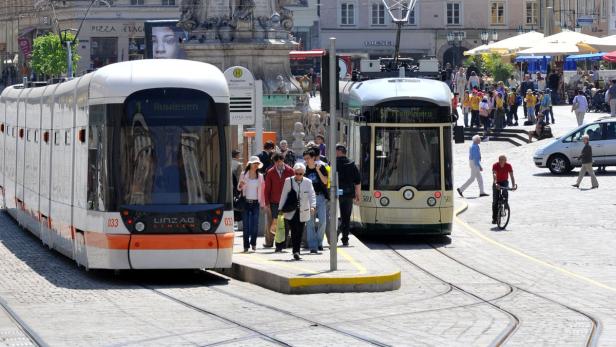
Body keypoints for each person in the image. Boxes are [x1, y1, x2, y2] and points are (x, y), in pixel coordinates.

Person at [278, 163, 316, 260]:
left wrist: (313, 206)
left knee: (300, 231)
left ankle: (297, 250)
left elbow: (312, 195)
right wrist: (280, 209)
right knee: (294, 230)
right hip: (291, 210)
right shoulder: (288, 181)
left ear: (303, 173)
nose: (298, 175)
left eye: (300, 174)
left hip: (303, 210)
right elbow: (283, 195)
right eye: (297, 173)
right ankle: (296, 251)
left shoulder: (308, 182)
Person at [264, 153, 294, 250]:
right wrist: (267, 203)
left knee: (286, 223)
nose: (278, 164)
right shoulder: (270, 172)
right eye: (276, 162)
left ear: (283, 160)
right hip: (274, 201)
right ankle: (278, 244)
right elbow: (267, 188)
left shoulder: (290, 171)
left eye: (280, 161)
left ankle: (283, 243)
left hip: (287, 201)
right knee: (276, 223)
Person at [237, 156, 266, 252]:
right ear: (250, 164)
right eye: (254, 164)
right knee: (246, 225)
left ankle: (253, 243)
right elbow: (239, 188)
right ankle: (246, 246)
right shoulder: (243, 174)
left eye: (257, 164)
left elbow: (262, 191)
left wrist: (263, 204)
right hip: (246, 202)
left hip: (255, 203)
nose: (256, 166)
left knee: (255, 225)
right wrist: (241, 184)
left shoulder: (260, 176)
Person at [303, 148, 329, 253]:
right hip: (309, 198)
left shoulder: (321, 167)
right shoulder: (304, 170)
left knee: (323, 221)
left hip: (321, 197)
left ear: (313, 158)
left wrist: (318, 170)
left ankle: (319, 242)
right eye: (305, 159)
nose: (306, 160)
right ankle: (313, 246)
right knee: (310, 223)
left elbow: (325, 181)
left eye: (308, 158)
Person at [335, 144, 361, 247]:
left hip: (336, 194)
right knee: (346, 217)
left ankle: (334, 236)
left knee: (335, 216)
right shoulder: (352, 164)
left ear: (338, 152)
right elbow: (358, 181)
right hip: (349, 194)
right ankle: (345, 239)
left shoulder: (333, 163)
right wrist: (358, 194)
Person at [492, 155, 516, 225]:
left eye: (503, 160)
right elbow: (494, 175)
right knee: (495, 201)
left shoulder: (508, 166)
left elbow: (511, 176)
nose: (502, 161)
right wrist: (496, 183)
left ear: (506, 161)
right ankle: (494, 218)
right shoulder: (495, 165)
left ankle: (505, 205)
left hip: (504, 181)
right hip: (496, 182)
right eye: (500, 160)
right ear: (498, 160)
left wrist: (513, 185)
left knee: (506, 190)